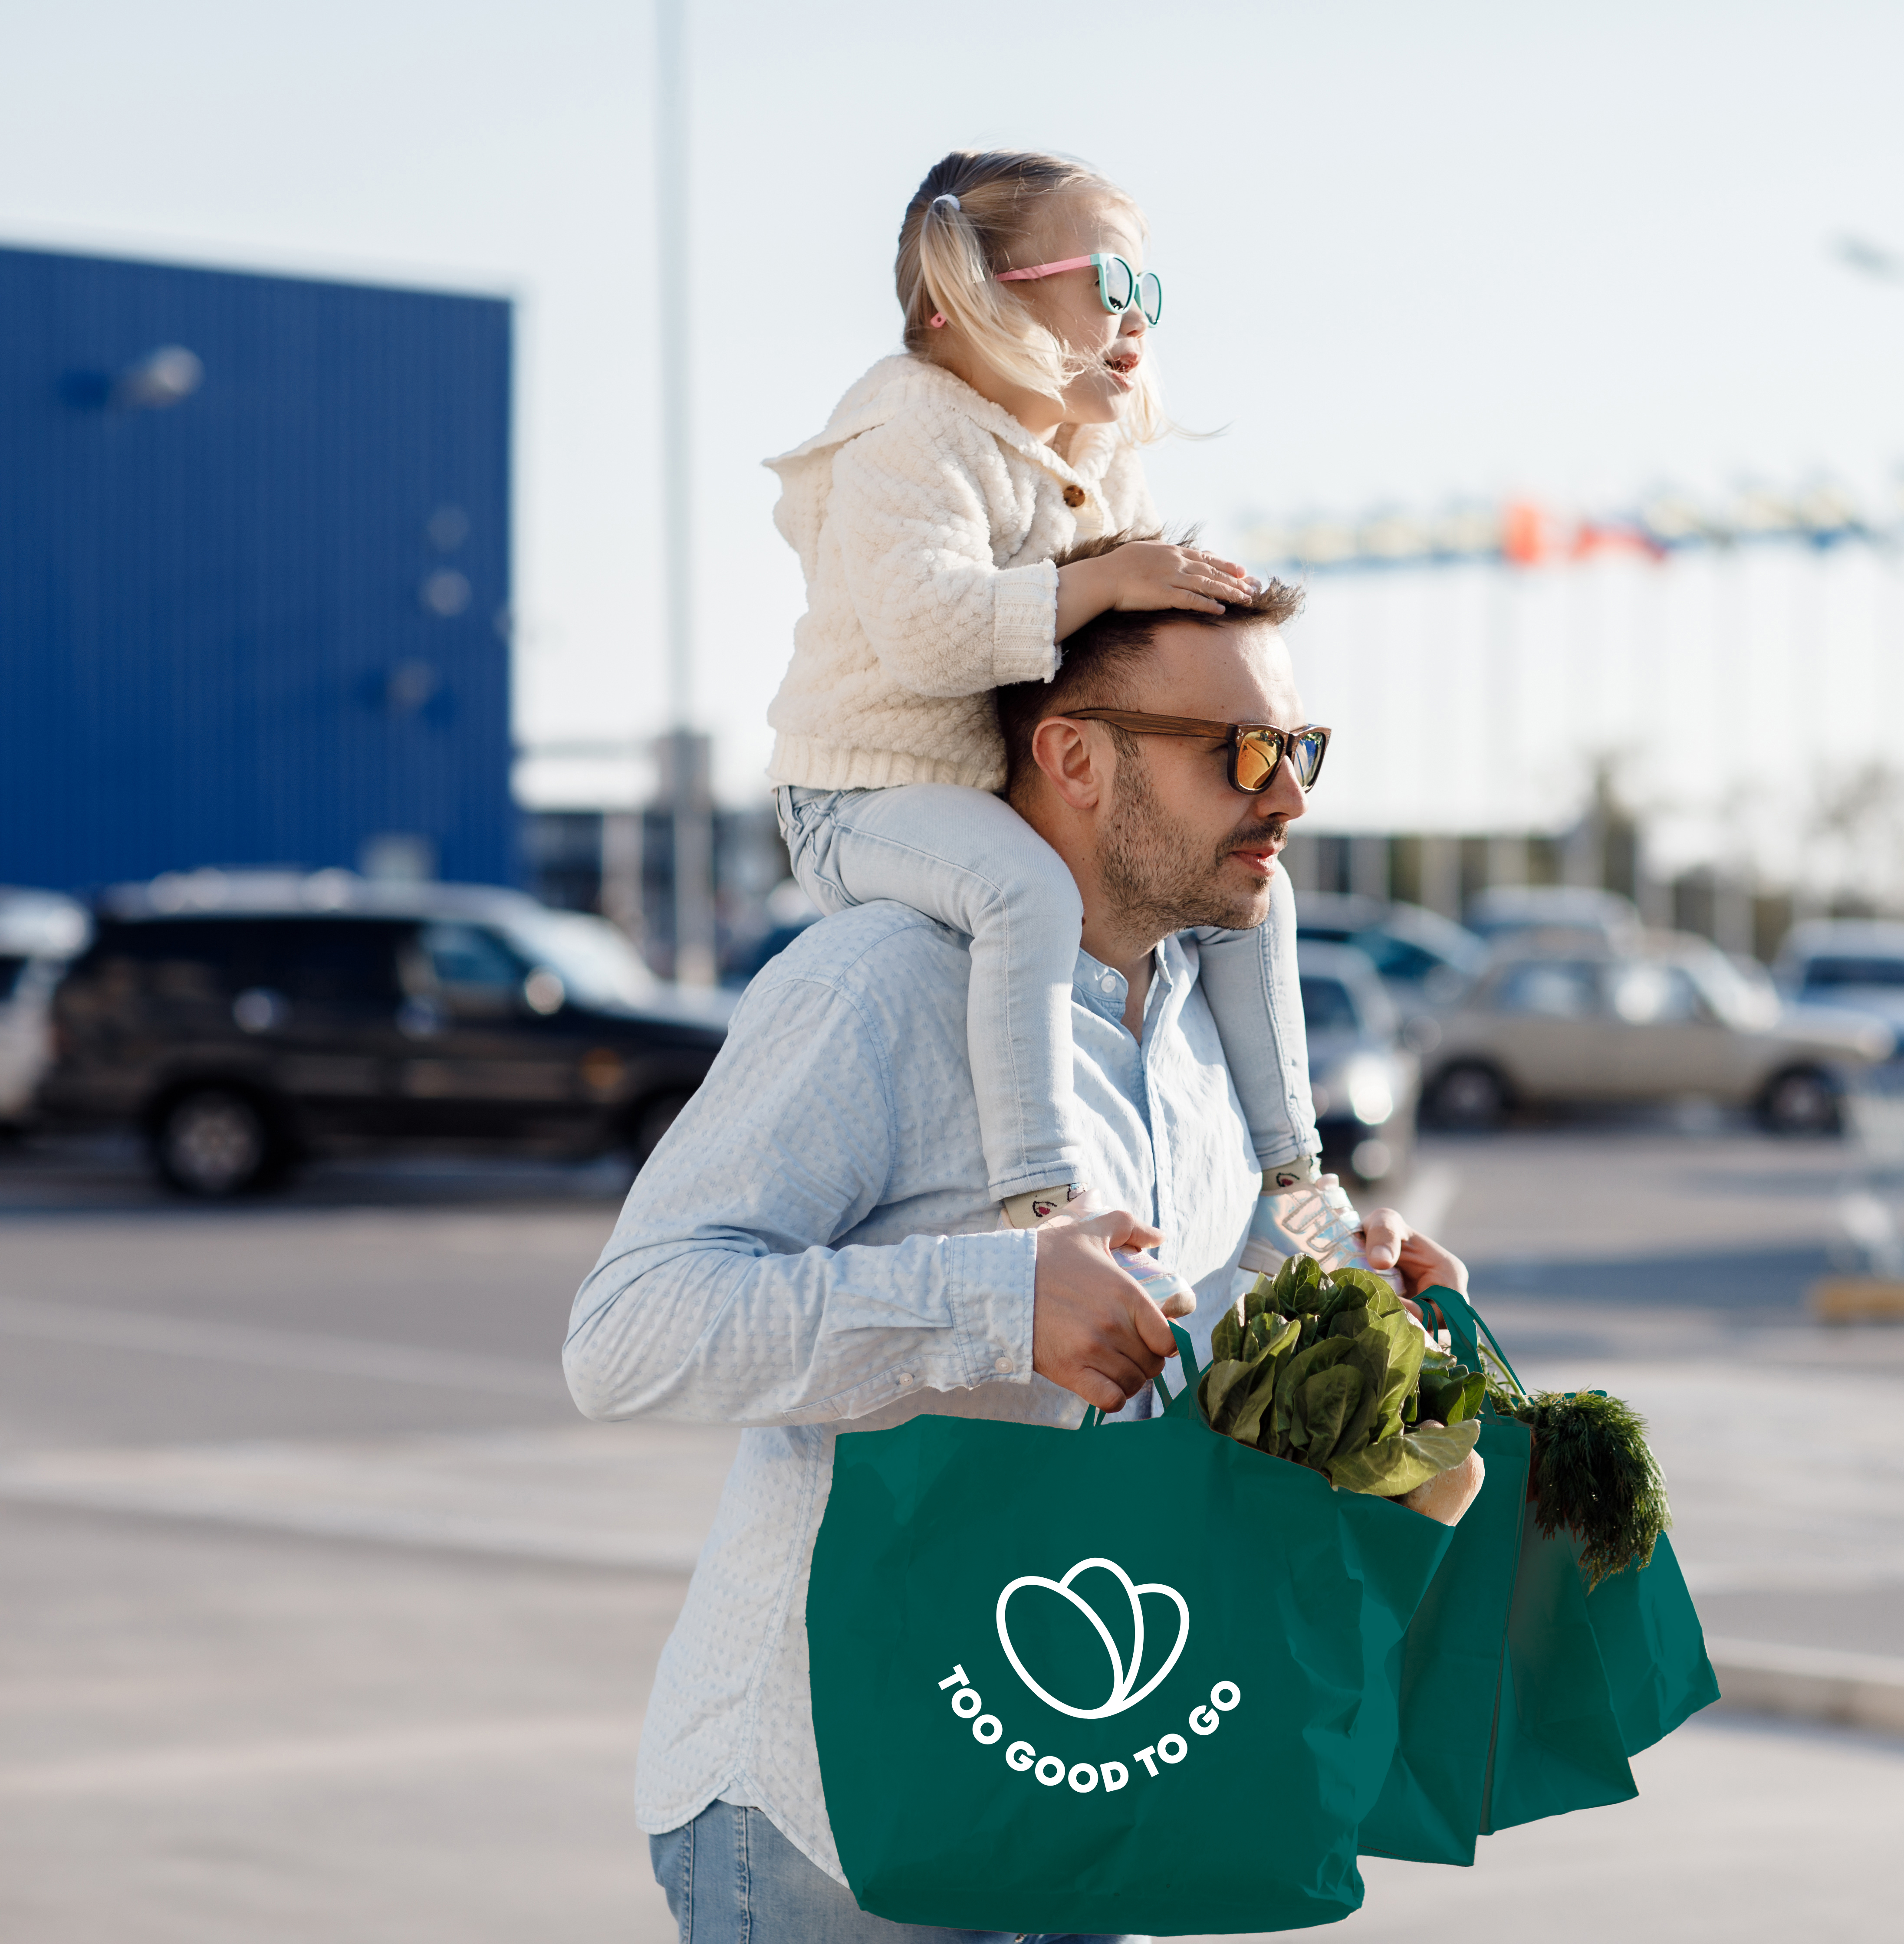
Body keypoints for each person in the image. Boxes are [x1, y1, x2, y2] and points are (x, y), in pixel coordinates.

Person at [565, 558, 1473, 1941]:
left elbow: (1187, 1309)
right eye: (1242, 754)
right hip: (843, 1813)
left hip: (1090, 1760)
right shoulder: (876, 985)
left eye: (1299, 750)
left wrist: (1340, 1303)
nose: (1287, 796)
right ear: (1073, 757)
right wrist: (998, 1299)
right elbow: (628, 1336)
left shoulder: (1197, 1015)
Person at [763, 145, 1350, 1262]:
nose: (1137, 319)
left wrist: (1183, 600)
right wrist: (1105, 582)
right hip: (858, 794)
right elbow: (929, 634)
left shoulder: (1086, 447)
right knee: (1025, 890)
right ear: (966, 301)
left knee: (1253, 901)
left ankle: (1299, 1177)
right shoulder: (907, 431)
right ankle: (1043, 1195)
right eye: (1109, 285)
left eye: (1150, 293)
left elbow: (1123, 627)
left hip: (980, 786)